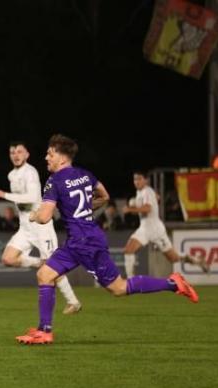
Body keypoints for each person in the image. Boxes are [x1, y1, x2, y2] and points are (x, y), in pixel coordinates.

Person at [18, 134, 199, 345]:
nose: (46, 158)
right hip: (83, 239)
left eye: (50, 154)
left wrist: (33, 215)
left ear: (62, 157)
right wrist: (84, 209)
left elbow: (44, 216)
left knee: (119, 288)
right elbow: (104, 196)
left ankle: (173, 284)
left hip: (84, 243)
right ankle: (44, 330)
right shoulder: (86, 175)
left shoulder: (54, 181)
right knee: (45, 274)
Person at [0, 141, 82, 315]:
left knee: (53, 267)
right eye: (12, 152)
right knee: (8, 259)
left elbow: (32, 197)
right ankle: (41, 263)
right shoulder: (12, 175)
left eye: (19, 151)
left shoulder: (30, 172)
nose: (16, 155)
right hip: (25, 227)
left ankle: (73, 302)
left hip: (41, 226)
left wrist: (5, 195)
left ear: (27, 155)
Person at [122, 171, 208, 276]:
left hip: (156, 229)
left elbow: (147, 208)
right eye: (135, 179)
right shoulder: (142, 192)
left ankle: (197, 260)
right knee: (128, 250)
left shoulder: (146, 191)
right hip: (145, 228)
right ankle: (131, 281)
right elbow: (157, 199)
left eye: (139, 179)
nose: (137, 182)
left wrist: (131, 209)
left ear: (146, 180)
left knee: (173, 258)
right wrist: (153, 198)